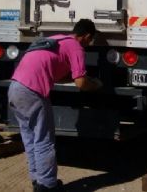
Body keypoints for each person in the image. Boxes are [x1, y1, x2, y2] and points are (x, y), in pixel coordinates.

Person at [8, 19, 103, 192]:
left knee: (30, 138)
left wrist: (75, 78)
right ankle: (48, 185)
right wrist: (96, 84)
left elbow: (58, 74)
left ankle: (38, 181)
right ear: (87, 36)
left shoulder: (58, 40)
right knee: (44, 139)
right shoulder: (76, 47)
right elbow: (81, 83)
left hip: (15, 88)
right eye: (90, 40)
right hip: (33, 91)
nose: (89, 44)